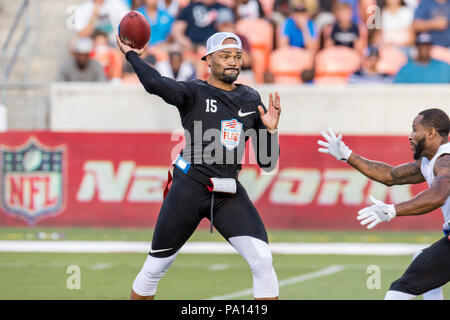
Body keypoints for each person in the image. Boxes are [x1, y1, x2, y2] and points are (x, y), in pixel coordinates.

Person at [116, 31, 281, 300]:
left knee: (263, 261)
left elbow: (268, 162)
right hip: (190, 187)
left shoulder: (251, 99)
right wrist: (131, 55)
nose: (233, 62)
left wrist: (271, 132)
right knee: (157, 265)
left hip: (228, 192)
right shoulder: (194, 91)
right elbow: (156, 83)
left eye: (238, 56)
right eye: (225, 56)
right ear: (208, 59)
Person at [317, 108, 450, 300]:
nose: (410, 136)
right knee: (421, 262)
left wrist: (391, 210)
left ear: (431, 132)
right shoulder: (430, 162)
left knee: (399, 290)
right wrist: (347, 154)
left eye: (414, 129)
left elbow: (438, 195)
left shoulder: (445, 160)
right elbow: (390, 176)